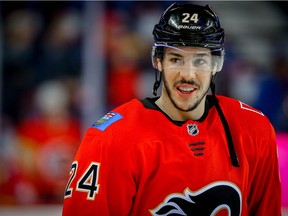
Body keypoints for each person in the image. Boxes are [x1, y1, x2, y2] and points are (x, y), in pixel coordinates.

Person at [62, 2, 281, 215]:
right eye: (176, 59)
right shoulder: (110, 140)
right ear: (158, 61)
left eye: (200, 61)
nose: (188, 74)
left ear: (217, 64)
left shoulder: (254, 128)